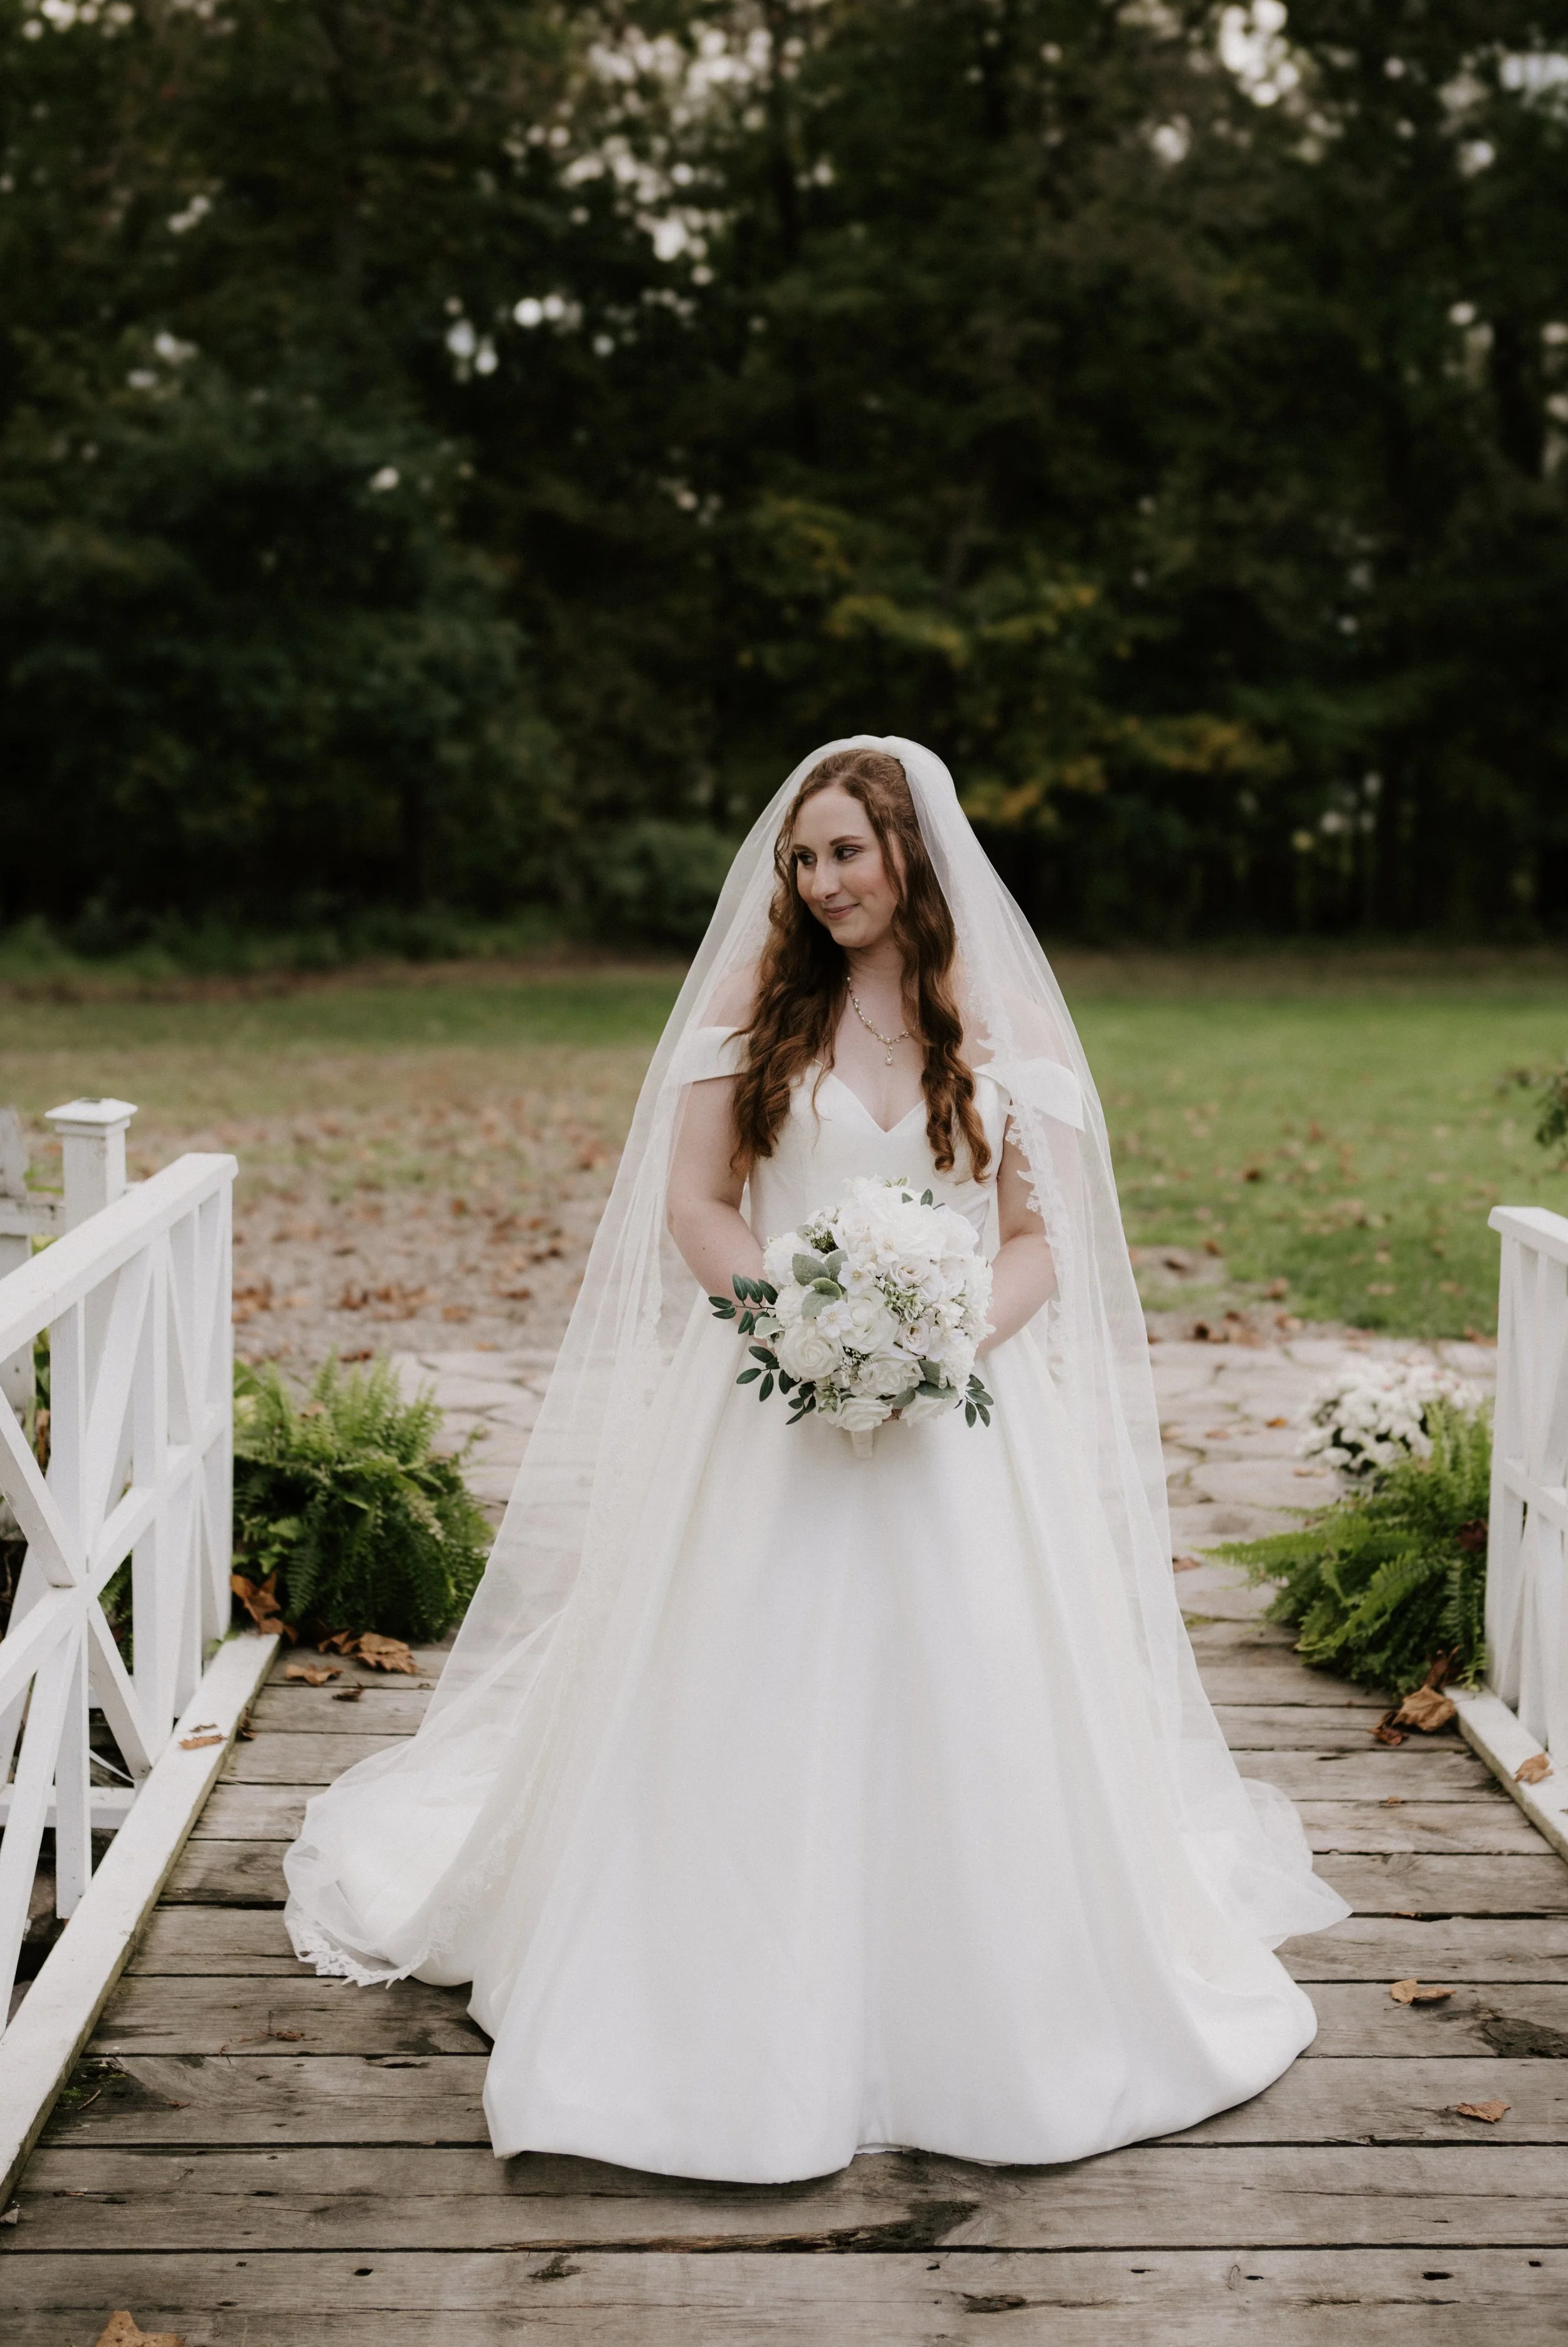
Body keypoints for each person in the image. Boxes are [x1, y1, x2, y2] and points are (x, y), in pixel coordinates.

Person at [283, 735, 1348, 2185]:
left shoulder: (997, 1020)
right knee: (742, 1674)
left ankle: (990, 2007)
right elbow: (696, 1203)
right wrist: (795, 1324)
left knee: (974, 1691)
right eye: (803, 855)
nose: (822, 878)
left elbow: (1038, 1240)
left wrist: (949, 1339)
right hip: (770, 1398)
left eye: (847, 848)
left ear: (909, 848)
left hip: (958, 1418)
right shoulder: (755, 1005)